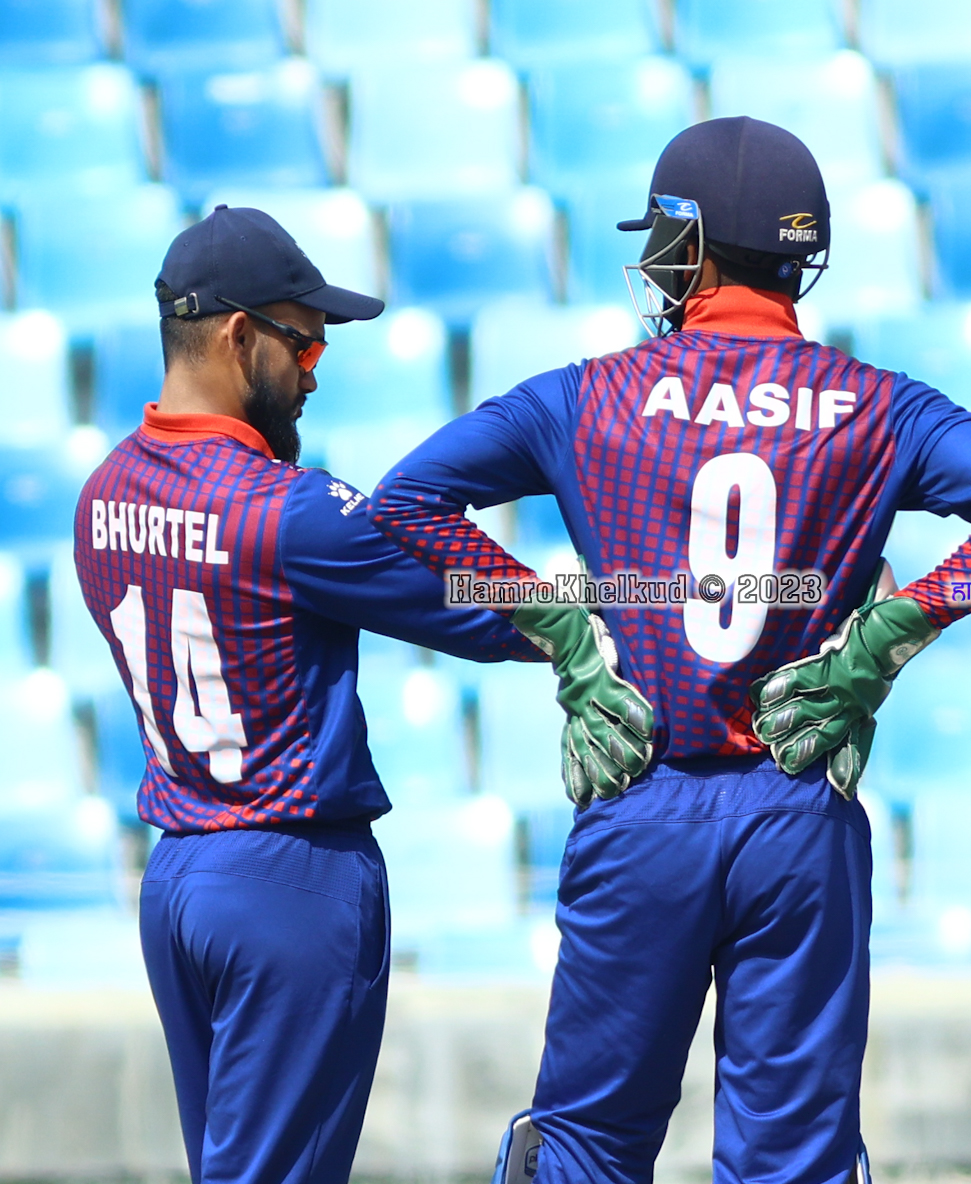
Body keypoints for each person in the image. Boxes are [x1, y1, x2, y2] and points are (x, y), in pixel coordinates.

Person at [368, 116, 971, 1184]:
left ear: (689, 246)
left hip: (640, 803)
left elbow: (406, 501)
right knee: (793, 1160)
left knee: (586, 1145)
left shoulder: (584, 394)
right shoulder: (881, 406)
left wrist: (559, 627)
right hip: (799, 809)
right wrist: (889, 636)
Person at [69, 205, 629, 1184]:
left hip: (178, 880)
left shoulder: (101, 497)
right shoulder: (287, 512)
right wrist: (685, 593)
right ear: (237, 335)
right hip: (288, 882)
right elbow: (507, 614)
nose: (316, 369)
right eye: (304, 340)